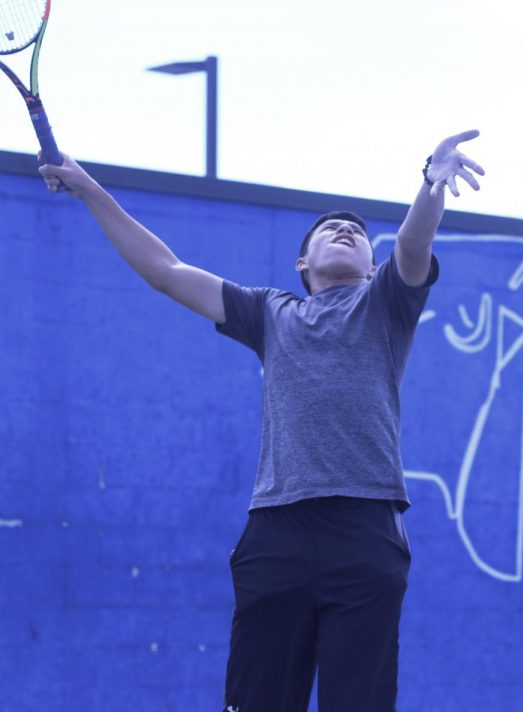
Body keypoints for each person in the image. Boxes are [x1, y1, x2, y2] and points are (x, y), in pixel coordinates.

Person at [39, 130, 485, 712]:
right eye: (329, 228)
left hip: (365, 532)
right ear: (303, 262)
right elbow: (167, 271)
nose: (345, 229)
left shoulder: (386, 303)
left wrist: (430, 184)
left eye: (356, 231)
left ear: (375, 265)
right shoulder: (271, 313)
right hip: (277, 537)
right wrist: (89, 188)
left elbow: (413, 245)